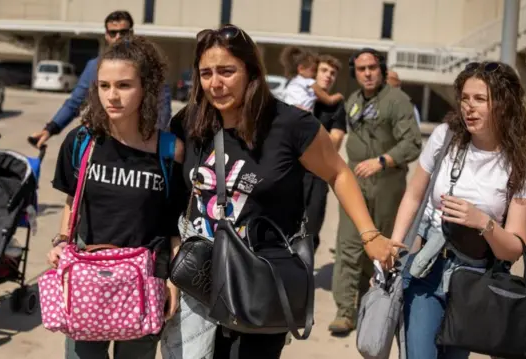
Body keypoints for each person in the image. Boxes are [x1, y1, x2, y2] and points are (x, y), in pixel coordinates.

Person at [163, 24, 403, 359]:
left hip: (260, 277)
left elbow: (338, 173)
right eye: (206, 73)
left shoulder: (289, 125)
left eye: (227, 71)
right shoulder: (191, 122)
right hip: (200, 277)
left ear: (251, 71)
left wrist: (369, 233)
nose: (215, 83)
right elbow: (172, 195)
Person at [46, 35, 185, 359]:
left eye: (124, 85)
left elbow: (174, 225)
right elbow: (72, 201)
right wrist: (61, 240)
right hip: (86, 278)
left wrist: (173, 282)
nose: (112, 96)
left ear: (146, 87)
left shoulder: (169, 151)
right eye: (104, 85)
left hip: (145, 279)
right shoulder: (81, 142)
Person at [391, 61, 526, 359]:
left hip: (475, 282)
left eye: (480, 99)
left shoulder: (523, 167)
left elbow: (514, 248)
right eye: (465, 98)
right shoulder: (445, 137)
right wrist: (395, 246)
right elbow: (413, 195)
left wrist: (482, 221)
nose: (469, 107)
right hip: (427, 267)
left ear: (504, 104)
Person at [329, 48, 422, 335]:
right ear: (355, 72)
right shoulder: (354, 102)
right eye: (361, 69)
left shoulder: (397, 101)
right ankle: (345, 311)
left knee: (382, 246)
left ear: (381, 69)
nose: (367, 73)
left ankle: (377, 303)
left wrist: (382, 161)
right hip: (356, 180)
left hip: (387, 182)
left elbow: (413, 143)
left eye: (372, 67)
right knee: (348, 244)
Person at [28, 10, 172, 148]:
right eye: (113, 32)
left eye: (123, 32)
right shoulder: (95, 67)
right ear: (106, 35)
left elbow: (162, 106)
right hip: (106, 143)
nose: (118, 37)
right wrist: (50, 128)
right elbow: (75, 102)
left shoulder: (148, 65)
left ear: (131, 33)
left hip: (142, 143)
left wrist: (154, 143)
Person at [305, 53, 346, 255]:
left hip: (317, 176)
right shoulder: (300, 96)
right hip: (289, 172)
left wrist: (304, 131)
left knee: (311, 231)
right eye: (324, 70)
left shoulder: (336, 106)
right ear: (314, 72)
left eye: (333, 73)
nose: (328, 75)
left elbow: (335, 143)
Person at [279, 46, 344, 112]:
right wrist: (340, 96)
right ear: (301, 69)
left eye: (333, 73)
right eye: (314, 70)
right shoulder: (309, 82)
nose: (328, 75)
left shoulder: (292, 83)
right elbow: (329, 100)